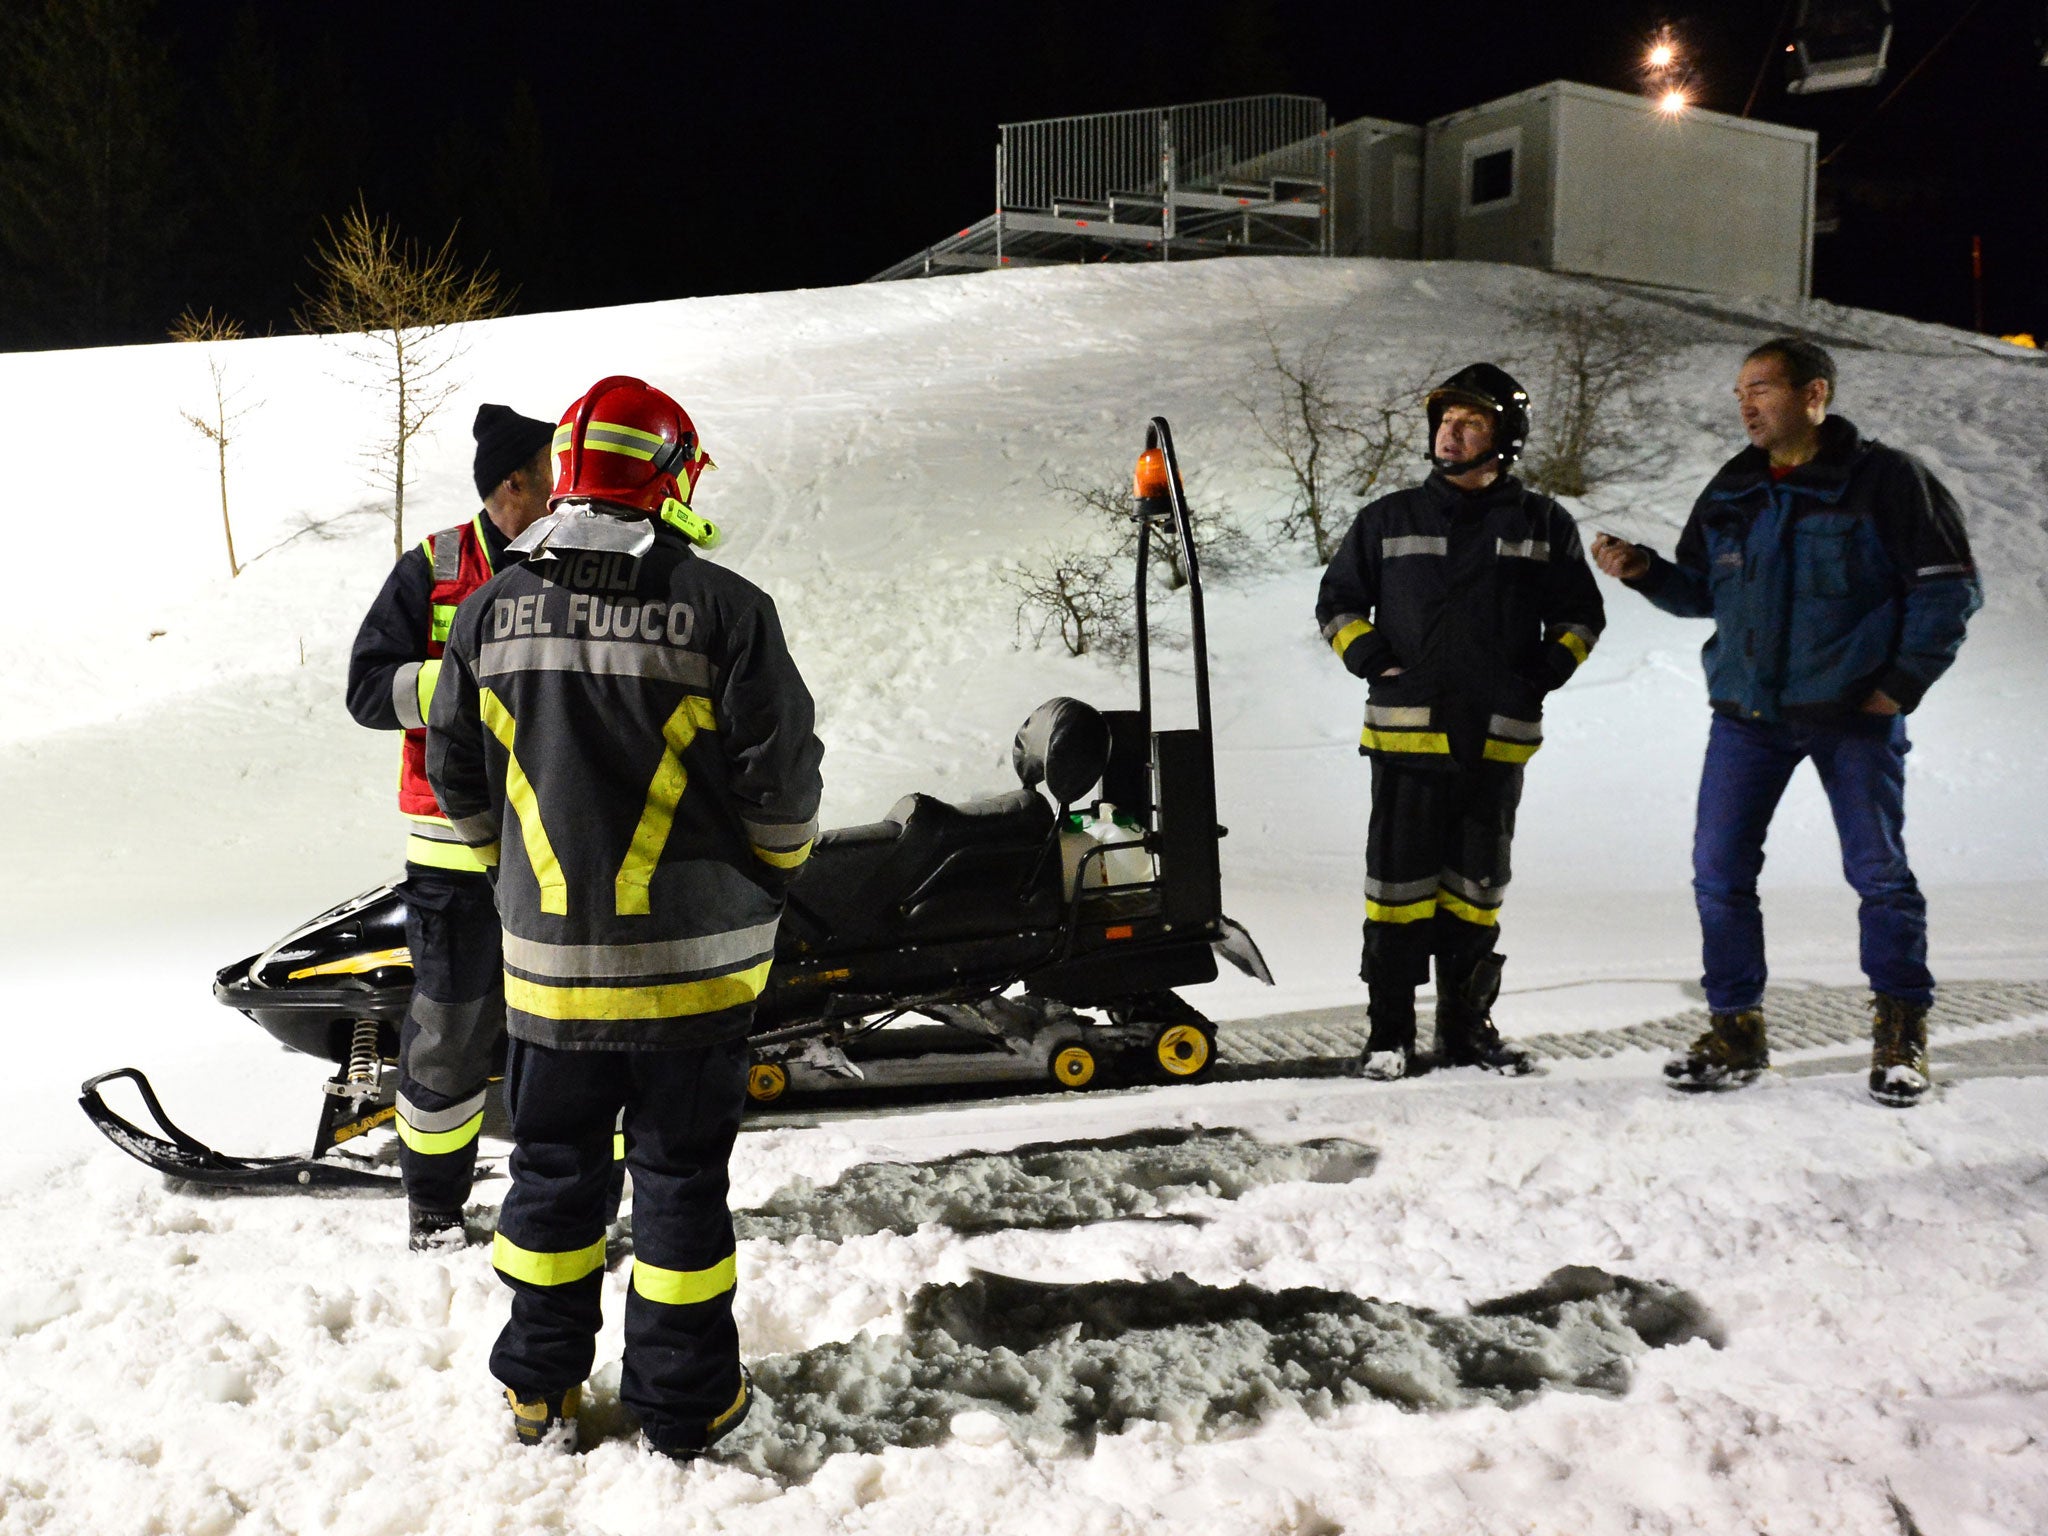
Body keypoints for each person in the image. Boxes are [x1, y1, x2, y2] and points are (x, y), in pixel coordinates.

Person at [428, 375, 823, 1458]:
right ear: (667, 475)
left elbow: (453, 767)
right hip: (692, 982)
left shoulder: (488, 610)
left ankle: (538, 1390)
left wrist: (509, 875)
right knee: (681, 1189)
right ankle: (684, 1404)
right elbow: (783, 788)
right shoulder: (726, 610)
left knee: (551, 1179)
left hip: (546, 980)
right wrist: (766, 877)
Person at [1592, 337, 1979, 1107]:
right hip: (1747, 717)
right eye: (1740, 391)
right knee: (1719, 874)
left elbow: (1947, 591)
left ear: (1814, 395)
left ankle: (1900, 1034)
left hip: (1852, 717)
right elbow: (1704, 592)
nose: (1746, 403)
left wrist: (1899, 685)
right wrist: (1644, 573)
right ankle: (1736, 1031)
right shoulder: (1735, 486)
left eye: (1762, 387)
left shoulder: (1888, 481)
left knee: (1879, 876)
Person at [1316, 364, 1605, 1080]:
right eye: (1445, 421)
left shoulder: (1543, 524)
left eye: (1470, 422)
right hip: (1407, 741)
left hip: (1496, 740)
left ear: (1504, 439)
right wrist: (1376, 661)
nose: (1451, 433)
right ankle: (1389, 1036)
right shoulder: (1386, 519)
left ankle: (1466, 1031)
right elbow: (1338, 605)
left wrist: (1539, 674)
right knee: (1396, 893)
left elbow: (1580, 618)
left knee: (1476, 893)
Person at [346, 403, 556, 1251]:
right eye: (550, 472)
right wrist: (465, 683)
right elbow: (368, 691)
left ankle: (566, 1196)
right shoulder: (430, 567)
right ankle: (433, 1205)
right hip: (452, 856)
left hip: (551, 848)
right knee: (451, 1030)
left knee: (564, 1029)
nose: (563, 486)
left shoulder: (570, 563)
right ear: (514, 483)